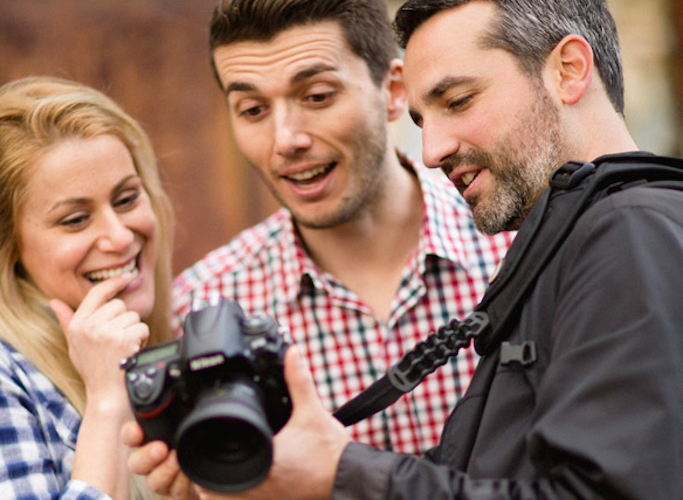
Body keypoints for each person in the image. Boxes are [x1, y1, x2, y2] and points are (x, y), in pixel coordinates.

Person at [126, 0, 683, 498]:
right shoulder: (558, 236)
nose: (433, 149)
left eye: (459, 101)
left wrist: (339, 472)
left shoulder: (619, 228)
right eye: (251, 110)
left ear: (569, 70)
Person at [173, 0, 513, 458]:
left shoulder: (519, 240)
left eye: (317, 96)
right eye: (253, 109)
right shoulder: (202, 310)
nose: (286, 139)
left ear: (394, 91)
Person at [0, 76, 175, 500]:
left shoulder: (165, 349)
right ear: (5, 245)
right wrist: (106, 401)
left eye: (126, 199)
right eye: (75, 219)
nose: (120, 236)